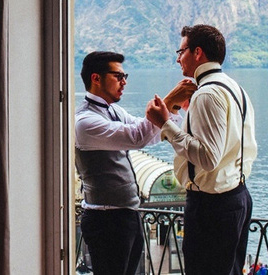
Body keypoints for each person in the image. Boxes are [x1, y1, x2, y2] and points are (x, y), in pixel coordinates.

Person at [146, 24, 257, 275]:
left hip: (212, 207)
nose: (177, 58)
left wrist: (165, 124)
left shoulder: (206, 94)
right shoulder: (234, 88)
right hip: (236, 196)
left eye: (181, 51)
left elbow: (208, 158)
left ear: (197, 53)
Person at [75, 51, 170, 275]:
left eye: (124, 75)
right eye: (118, 76)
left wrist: (169, 116)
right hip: (105, 220)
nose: (124, 82)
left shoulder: (114, 111)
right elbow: (137, 137)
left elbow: (151, 135)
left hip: (126, 214)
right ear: (96, 78)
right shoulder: (85, 121)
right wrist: (171, 99)